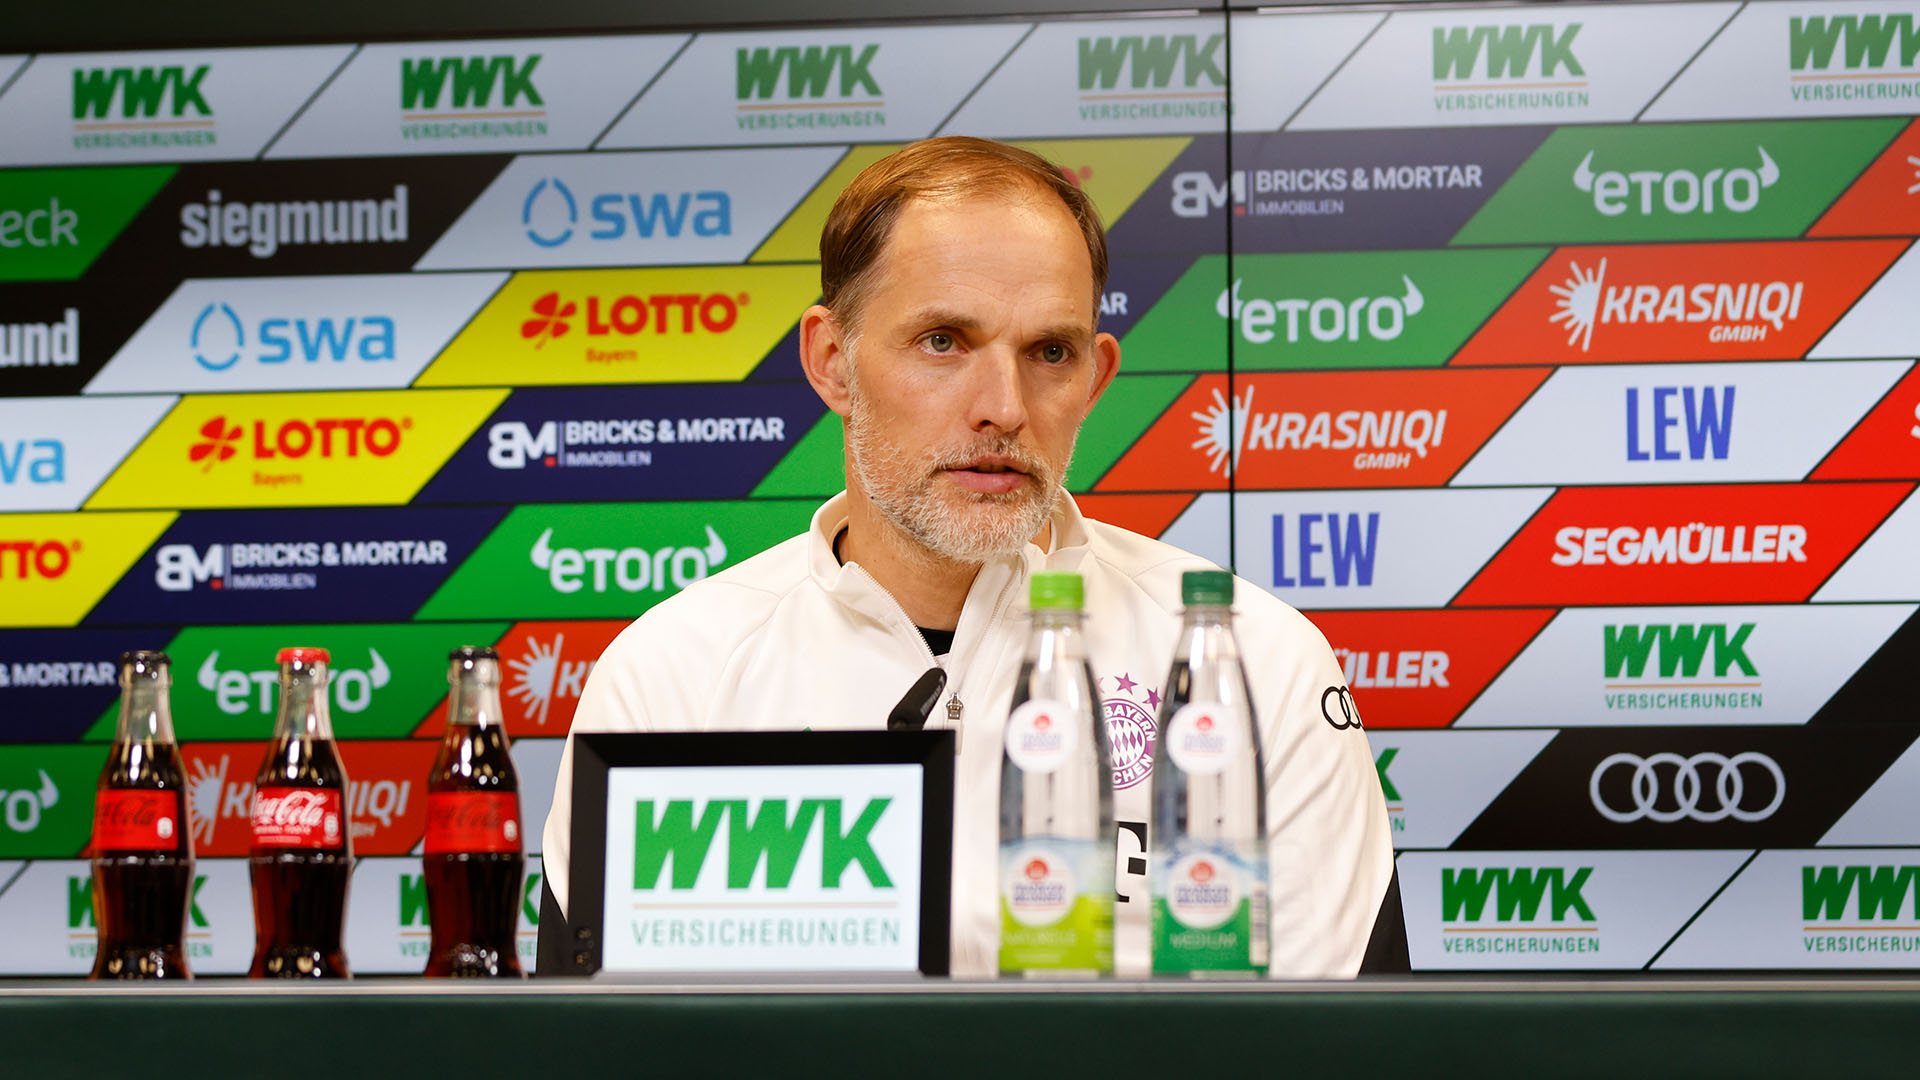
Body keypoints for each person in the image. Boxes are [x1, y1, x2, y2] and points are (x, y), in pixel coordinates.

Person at [538, 136, 1404, 977]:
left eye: (1050, 353)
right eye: (944, 341)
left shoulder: (1255, 661)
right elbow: (602, 1050)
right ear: (832, 362)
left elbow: (1347, 1052)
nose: (1003, 407)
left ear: (1096, 379)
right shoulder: (674, 675)